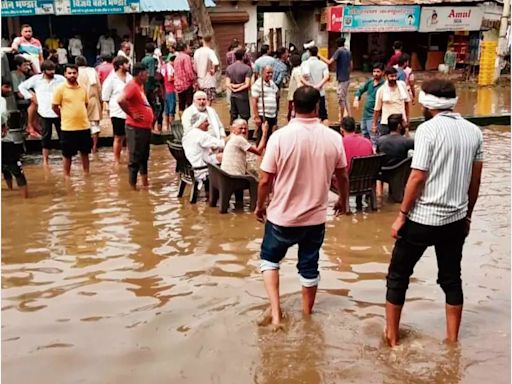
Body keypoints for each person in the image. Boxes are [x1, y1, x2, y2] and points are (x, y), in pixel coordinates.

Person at [385, 79, 483, 347]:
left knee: (398, 275)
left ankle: (392, 339)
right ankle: (452, 341)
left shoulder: (427, 130)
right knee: (451, 278)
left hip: (421, 219)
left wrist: (402, 214)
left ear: (428, 105)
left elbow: (417, 177)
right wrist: (468, 215)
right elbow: (475, 181)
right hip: (455, 219)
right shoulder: (475, 132)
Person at [255, 86, 349, 328]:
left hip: (281, 217)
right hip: (315, 218)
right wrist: (344, 200)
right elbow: (343, 176)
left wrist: (259, 206)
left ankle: (276, 315)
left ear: (292, 107)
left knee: (269, 260)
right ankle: (307, 316)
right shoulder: (333, 138)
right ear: (317, 107)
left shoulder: (279, 137)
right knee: (309, 267)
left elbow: (265, 179)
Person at [19, 60, 65, 166]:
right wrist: (31, 96)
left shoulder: (60, 79)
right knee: (46, 137)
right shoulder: (36, 80)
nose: (52, 72)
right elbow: (22, 87)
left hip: (59, 111)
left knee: (62, 136)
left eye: (53, 70)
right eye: (49, 70)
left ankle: (65, 157)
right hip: (44, 112)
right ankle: (45, 160)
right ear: (44, 71)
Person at [117, 63, 154, 190]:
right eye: (146, 73)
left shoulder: (140, 85)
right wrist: (132, 114)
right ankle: (132, 188)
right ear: (140, 74)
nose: (148, 75)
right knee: (135, 158)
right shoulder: (132, 86)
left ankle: (145, 184)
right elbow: (121, 100)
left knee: (144, 156)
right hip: (135, 128)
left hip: (144, 127)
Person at [52, 64, 91, 178]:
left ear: (77, 74)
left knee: (85, 153)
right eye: (69, 73)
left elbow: (86, 104)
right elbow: (54, 106)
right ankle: (67, 176)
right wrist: (63, 115)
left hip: (84, 126)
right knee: (67, 154)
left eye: (74, 73)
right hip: (68, 127)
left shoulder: (83, 88)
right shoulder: (60, 89)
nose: (72, 75)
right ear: (65, 74)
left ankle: (86, 174)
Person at [102, 55, 132, 165]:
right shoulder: (111, 79)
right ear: (120, 65)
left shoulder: (130, 77)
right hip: (117, 112)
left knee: (130, 137)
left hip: (130, 112)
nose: (128, 65)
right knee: (118, 137)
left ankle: (130, 159)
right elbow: (105, 97)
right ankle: (117, 161)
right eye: (126, 63)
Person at [182, 113, 226, 186]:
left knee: (221, 155)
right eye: (206, 121)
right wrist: (233, 135)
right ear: (200, 123)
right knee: (229, 157)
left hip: (192, 167)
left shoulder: (188, 134)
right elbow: (222, 143)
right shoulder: (201, 135)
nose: (208, 123)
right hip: (201, 170)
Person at [2, 80, 28, 198]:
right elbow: (2, 115)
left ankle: (11, 191)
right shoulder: (1, 100)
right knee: (18, 171)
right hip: (5, 141)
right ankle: (26, 200)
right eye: (6, 87)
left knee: (5, 169)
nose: (10, 90)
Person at [341, 117, 373, 210]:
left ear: (341, 129)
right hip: (366, 181)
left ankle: (343, 205)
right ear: (355, 128)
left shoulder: (340, 143)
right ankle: (359, 202)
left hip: (348, 182)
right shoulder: (367, 142)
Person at [373, 66, 410, 138]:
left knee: (401, 144)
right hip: (386, 123)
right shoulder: (381, 90)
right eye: (392, 76)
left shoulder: (402, 85)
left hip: (400, 122)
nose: (394, 78)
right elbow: (377, 109)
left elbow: (407, 104)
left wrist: (407, 119)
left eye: (395, 76)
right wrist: (374, 125)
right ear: (386, 77)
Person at [353, 62, 385, 144]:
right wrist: (356, 99)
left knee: (374, 138)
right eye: (374, 72)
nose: (376, 74)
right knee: (364, 135)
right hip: (365, 115)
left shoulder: (384, 85)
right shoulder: (370, 82)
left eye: (378, 72)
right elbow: (360, 90)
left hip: (375, 116)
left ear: (382, 72)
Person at [321, 37, 352, 120]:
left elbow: (329, 62)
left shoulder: (339, 51)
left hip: (342, 79)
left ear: (337, 44)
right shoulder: (348, 52)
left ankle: (341, 118)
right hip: (347, 78)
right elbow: (351, 65)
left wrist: (319, 56)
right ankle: (349, 116)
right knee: (345, 98)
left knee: (341, 99)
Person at [76, 56, 102, 153]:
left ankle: (81, 147)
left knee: (80, 125)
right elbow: (99, 87)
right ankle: (94, 147)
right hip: (93, 100)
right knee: (94, 125)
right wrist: (101, 100)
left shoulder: (74, 73)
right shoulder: (92, 71)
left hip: (78, 101)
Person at [251, 65, 279, 145]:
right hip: (263, 115)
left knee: (270, 137)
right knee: (261, 136)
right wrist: (256, 117)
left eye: (271, 73)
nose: (270, 75)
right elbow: (254, 101)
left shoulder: (272, 83)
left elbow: (277, 93)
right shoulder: (257, 85)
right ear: (262, 73)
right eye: (268, 73)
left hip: (272, 115)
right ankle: (259, 154)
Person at [300, 47, 329, 123]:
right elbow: (327, 77)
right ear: (317, 53)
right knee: (323, 116)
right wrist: (319, 85)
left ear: (309, 53)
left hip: (308, 93)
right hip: (320, 93)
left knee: (308, 116)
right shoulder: (323, 64)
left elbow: (302, 78)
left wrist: (310, 85)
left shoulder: (305, 64)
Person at [226, 48, 252, 124]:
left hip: (233, 96)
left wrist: (234, 89)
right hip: (243, 97)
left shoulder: (229, 68)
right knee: (244, 118)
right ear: (243, 56)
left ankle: (232, 134)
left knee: (233, 117)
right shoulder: (247, 68)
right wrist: (240, 86)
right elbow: (247, 84)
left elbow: (227, 84)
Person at [141, 43, 163, 133]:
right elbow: (151, 75)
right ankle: (151, 128)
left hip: (145, 87)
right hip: (150, 88)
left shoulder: (143, 59)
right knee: (155, 109)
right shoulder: (151, 60)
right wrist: (155, 85)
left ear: (145, 50)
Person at [193, 35, 219, 106]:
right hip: (208, 81)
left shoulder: (197, 52)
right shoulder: (210, 51)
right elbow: (216, 62)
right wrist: (214, 70)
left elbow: (194, 67)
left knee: (199, 102)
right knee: (207, 102)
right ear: (211, 41)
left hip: (199, 81)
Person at [174, 42, 197, 113]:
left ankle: (182, 120)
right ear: (185, 49)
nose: (190, 49)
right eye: (188, 47)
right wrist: (194, 81)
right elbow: (189, 71)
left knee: (181, 105)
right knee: (190, 104)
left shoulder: (176, 58)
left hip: (178, 85)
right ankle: (189, 120)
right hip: (186, 84)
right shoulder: (186, 57)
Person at [161, 53, 177, 132]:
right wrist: (177, 77)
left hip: (165, 91)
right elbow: (170, 78)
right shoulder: (170, 67)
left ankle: (166, 128)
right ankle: (172, 130)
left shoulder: (163, 66)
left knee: (166, 111)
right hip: (171, 90)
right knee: (172, 111)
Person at [287, 54, 302, 121]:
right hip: (294, 96)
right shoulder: (298, 69)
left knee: (292, 115)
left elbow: (299, 84)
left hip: (294, 96)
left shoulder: (296, 71)